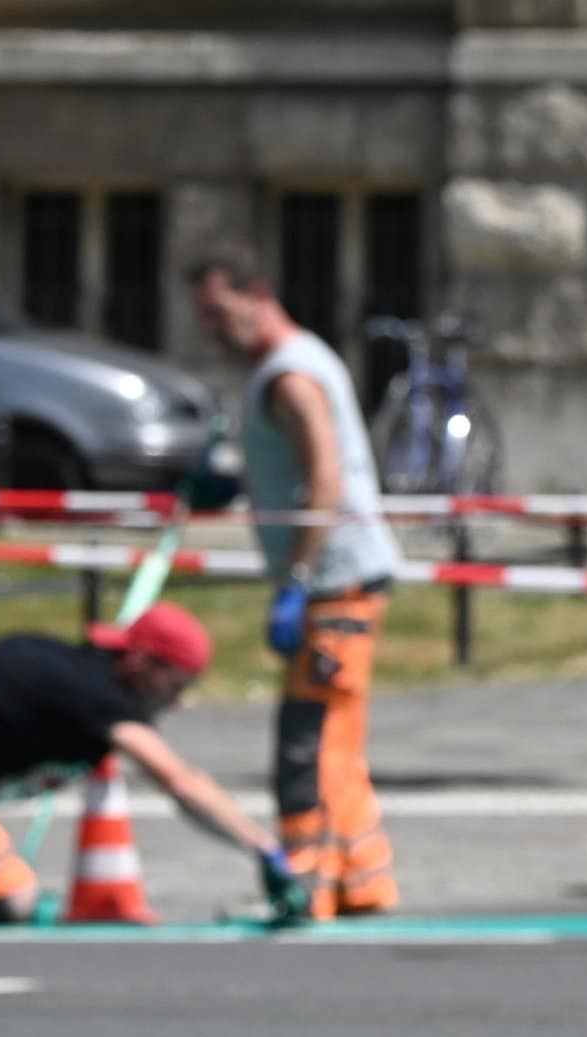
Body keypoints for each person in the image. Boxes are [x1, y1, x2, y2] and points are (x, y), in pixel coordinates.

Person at [0, 602, 308, 926]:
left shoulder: (84, 681)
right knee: (8, 896)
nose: (178, 703)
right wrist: (263, 848)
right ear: (142, 664)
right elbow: (179, 782)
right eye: (176, 686)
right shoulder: (94, 695)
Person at [186, 239, 400, 919]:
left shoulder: (289, 377)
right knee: (338, 733)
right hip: (346, 578)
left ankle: (306, 880)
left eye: (221, 313)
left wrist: (298, 579)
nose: (214, 331)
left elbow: (326, 481)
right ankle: (360, 878)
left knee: (308, 742)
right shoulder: (291, 366)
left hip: (333, 583)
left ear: (258, 294)